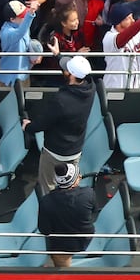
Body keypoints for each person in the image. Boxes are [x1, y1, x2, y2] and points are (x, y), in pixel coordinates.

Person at [22, 54, 94, 196]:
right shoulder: (91, 89)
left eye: (66, 69)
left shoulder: (61, 100)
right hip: (75, 151)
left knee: (47, 185)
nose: (64, 71)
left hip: (55, 153)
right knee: (68, 184)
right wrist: (58, 55)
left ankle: (47, 208)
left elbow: (42, 124)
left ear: (71, 75)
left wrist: (27, 126)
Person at [36, 161, 95, 268]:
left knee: (63, 271)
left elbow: (44, 230)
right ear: (74, 182)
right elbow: (94, 210)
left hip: (62, 245)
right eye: (78, 176)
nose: (80, 176)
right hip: (85, 238)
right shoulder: (89, 193)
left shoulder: (46, 201)